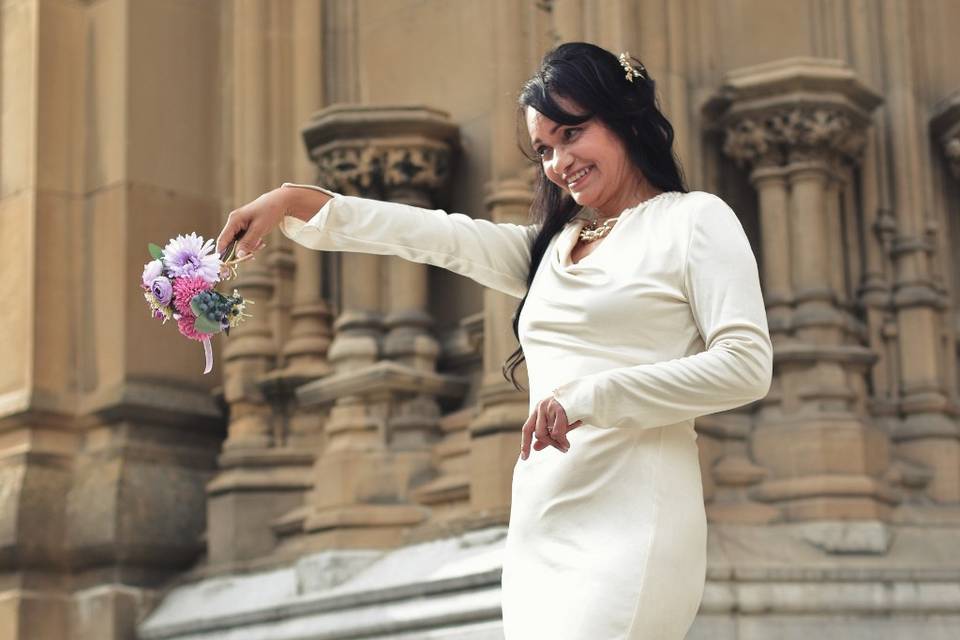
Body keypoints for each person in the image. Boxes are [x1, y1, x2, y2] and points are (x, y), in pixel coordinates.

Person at [216, 42, 772, 640]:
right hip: (541, 525)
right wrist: (293, 200)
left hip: (635, 522)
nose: (558, 162)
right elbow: (434, 237)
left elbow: (745, 367)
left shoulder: (694, 220)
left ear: (625, 117)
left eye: (571, 133)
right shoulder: (548, 251)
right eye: (544, 149)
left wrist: (590, 397)